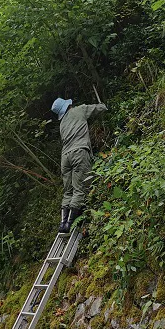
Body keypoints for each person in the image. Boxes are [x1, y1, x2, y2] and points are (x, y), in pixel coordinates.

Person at [51, 97, 107, 233]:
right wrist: (104, 106)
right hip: (79, 152)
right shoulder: (79, 110)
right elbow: (97, 108)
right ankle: (70, 223)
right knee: (79, 188)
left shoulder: (62, 123)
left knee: (68, 191)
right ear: (68, 105)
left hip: (65, 157)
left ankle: (63, 223)